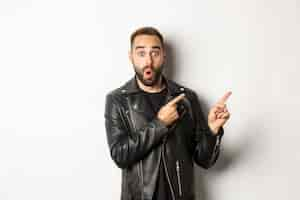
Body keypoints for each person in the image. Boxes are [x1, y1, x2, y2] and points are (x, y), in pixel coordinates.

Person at [104, 26, 231, 200]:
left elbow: (205, 161)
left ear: (163, 55)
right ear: (131, 57)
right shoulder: (118, 100)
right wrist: (160, 124)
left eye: (154, 53)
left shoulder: (187, 98)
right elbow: (120, 156)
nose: (148, 61)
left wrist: (211, 131)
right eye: (141, 53)